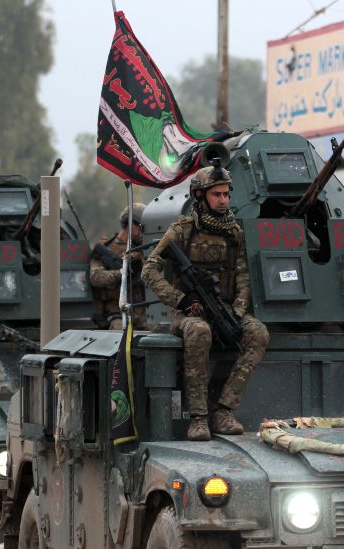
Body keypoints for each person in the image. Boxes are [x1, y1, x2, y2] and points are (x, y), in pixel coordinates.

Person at [142, 165, 270, 441]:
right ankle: (198, 418)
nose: (224, 200)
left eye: (226, 194)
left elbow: (243, 276)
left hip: (223, 307)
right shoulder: (182, 231)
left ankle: (223, 411)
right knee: (200, 332)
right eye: (217, 195)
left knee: (258, 333)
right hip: (187, 313)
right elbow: (149, 270)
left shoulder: (234, 232)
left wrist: (236, 312)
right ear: (200, 196)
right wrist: (182, 300)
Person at [88, 203, 149, 330]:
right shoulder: (106, 248)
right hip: (117, 313)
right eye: (142, 228)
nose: (144, 233)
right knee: (119, 331)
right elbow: (96, 277)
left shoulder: (144, 249)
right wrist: (123, 272)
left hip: (143, 313)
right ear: (132, 225)